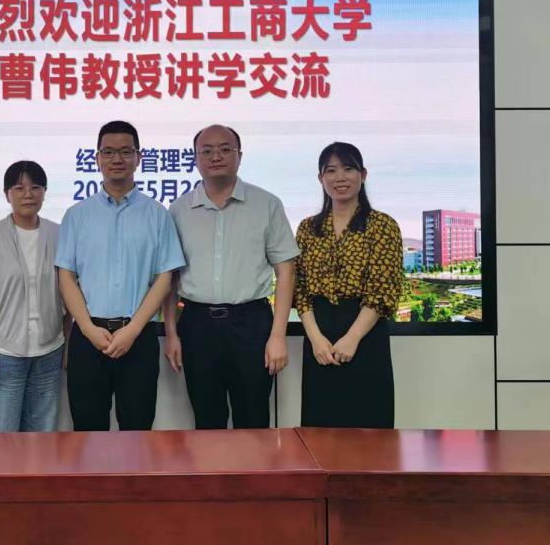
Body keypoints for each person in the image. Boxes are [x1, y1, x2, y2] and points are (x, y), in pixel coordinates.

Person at [163, 125, 298, 429]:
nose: (216, 156)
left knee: (253, 420)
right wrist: (171, 334)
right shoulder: (179, 209)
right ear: (195, 158)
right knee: (206, 421)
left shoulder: (266, 204)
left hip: (251, 324)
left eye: (225, 149)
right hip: (197, 325)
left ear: (240, 156)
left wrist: (277, 335)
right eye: (207, 150)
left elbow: (285, 271)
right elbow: (170, 279)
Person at [55, 120, 186, 431]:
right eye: (109, 152)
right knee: (87, 434)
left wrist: (133, 330)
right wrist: (87, 328)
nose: (117, 159)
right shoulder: (77, 215)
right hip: (88, 338)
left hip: (138, 338)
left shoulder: (157, 214)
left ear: (138, 158)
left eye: (126, 151)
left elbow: (165, 278)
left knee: (138, 432)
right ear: (97, 158)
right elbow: (66, 277)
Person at [294, 141, 402, 428]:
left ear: (363, 175)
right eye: (331, 170)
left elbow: (383, 289)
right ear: (321, 178)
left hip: (365, 335)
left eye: (348, 169)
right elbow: (299, 288)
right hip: (319, 337)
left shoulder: (382, 225)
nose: (339, 177)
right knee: (320, 431)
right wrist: (315, 338)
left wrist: (352, 338)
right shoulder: (308, 228)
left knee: (369, 431)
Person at [0, 161, 68, 432]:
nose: (28, 194)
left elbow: (70, 292)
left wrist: (68, 342)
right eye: (19, 188)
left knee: (42, 434)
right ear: (7, 194)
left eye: (36, 187)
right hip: (4, 353)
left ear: (45, 192)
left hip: (49, 350)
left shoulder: (59, 234)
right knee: (1, 436)